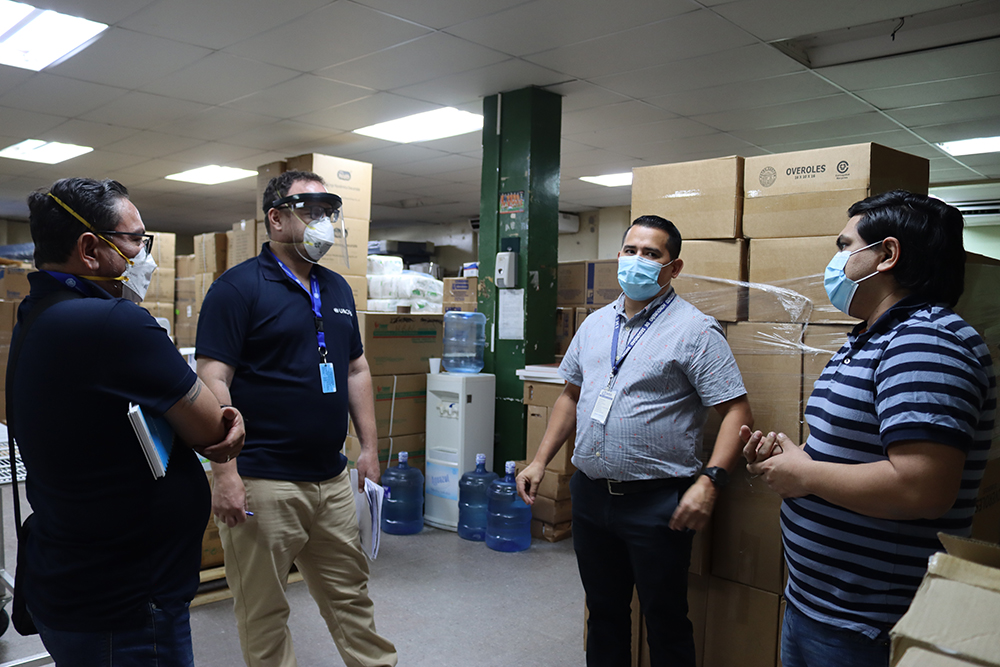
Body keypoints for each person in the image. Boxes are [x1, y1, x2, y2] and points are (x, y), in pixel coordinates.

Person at [741, 190, 996, 667]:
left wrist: (805, 475)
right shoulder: (872, 336)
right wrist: (793, 459)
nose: (836, 260)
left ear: (887, 254)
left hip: (870, 623)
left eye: (845, 246)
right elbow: (855, 451)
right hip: (821, 606)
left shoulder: (925, 342)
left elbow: (922, 488)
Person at [11, 177, 245, 666]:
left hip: (76, 575)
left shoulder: (41, 311)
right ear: (89, 249)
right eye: (136, 241)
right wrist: (227, 418)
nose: (145, 256)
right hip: (126, 600)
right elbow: (212, 429)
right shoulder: (112, 322)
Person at [517, 215, 753, 667]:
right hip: (591, 495)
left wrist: (710, 482)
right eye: (631, 251)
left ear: (673, 267)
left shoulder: (696, 330)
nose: (637, 260)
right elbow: (570, 395)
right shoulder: (594, 324)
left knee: (665, 620)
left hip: (657, 502)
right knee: (603, 614)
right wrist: (539, 461)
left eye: (651, 254)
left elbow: (738, 412)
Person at [195, 170, 396, 667]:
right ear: (277, 219)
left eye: (328, 211)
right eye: (311, 210)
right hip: (263, 481)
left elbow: (355, 368)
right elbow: (213, 379)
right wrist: (225, 473)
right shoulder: (237, 288)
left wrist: (369, 449)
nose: (323, 221)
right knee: (264, 612)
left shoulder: (337, 288)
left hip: (331, 479)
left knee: (352, 598)